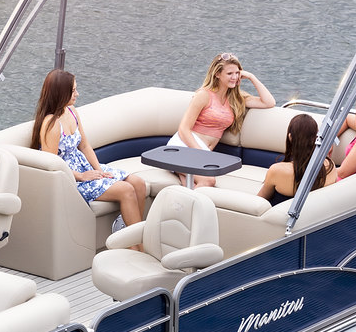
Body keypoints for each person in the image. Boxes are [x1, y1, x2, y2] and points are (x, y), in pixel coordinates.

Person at [31, 69, 148, 231]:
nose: (77, 94)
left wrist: (99, 170)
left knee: (139, 183)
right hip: (71, 178)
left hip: (85, 167)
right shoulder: (51, 124)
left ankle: (126, 229)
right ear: (60, 92)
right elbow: (51, 165)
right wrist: (81, 176)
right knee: (126, 189)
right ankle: (135, 246)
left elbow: (84, 146)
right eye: (72, 91)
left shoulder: (71, 111)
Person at [171, 52, 276, 187]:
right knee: (208, 180)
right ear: (217, 74)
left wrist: (251, 77)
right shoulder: (203, 95)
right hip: (185, 146)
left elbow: (269, 102)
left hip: (202, 152)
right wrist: (202, 154)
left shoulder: (237, 99)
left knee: (188, 189)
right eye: (229, 73)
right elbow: (183, 129)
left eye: (237, 73)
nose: (234, 77)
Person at [257, 113, 320, 207]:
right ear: (315, 137)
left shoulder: (277, 170)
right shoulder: (329, 167)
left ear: (290, 137)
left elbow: (259, 202)